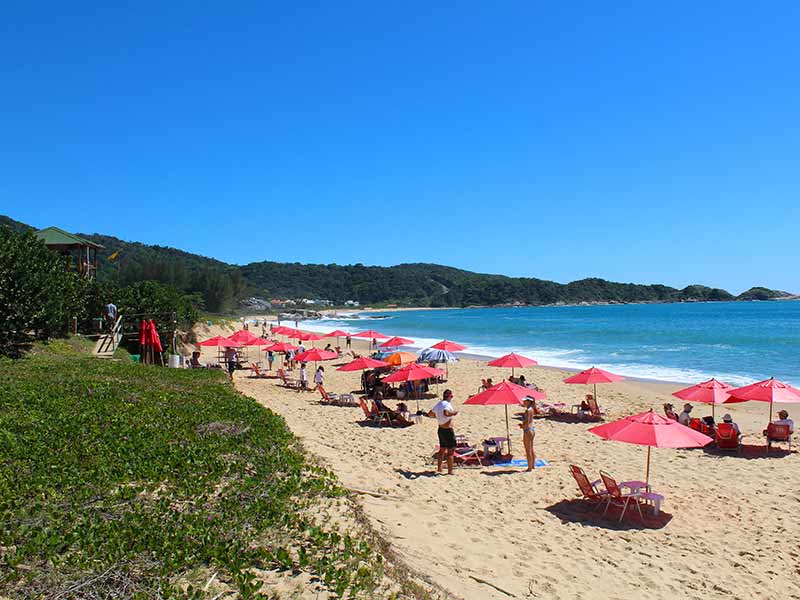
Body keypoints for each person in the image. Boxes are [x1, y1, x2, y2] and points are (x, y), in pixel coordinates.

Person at [428, 389, 459, 475]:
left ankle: (439, 468)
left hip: (441, 429)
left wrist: (438, 417)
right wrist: (453, 413)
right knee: (451, 451)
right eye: (451, 396)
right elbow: (446, 413)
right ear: (449, 396)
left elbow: (430, 413)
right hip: (447, 430)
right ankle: (450, 471)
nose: (452, 398)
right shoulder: (446, 404)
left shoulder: (439, 404)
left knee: (442, 450)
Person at [519, 397, 537, 471]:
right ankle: (532, 465)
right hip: (532, 429)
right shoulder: (532, 409)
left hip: (527, 430)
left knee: (528, 449)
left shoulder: (528, 410)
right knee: (531, 448)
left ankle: (529, 468)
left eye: (525, 401)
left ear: (528, 402)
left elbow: (527, 422)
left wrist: (522, 426)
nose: (523, 402)